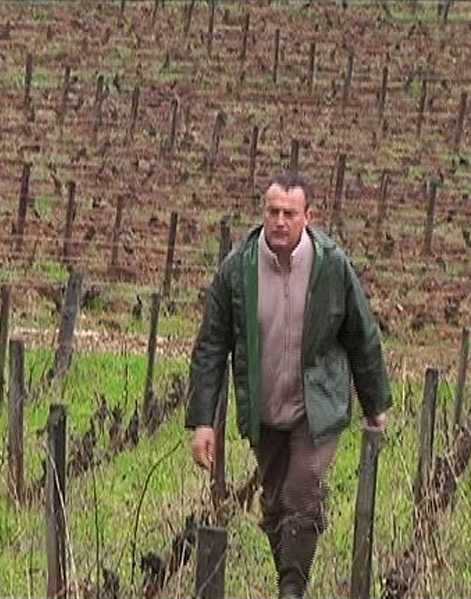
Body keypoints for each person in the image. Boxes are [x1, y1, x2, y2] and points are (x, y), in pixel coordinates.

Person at [185, 172, 392, 598]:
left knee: (303, 488)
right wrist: (203, 421)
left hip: (317, 408)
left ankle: (291, 589)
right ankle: (291, 575)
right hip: (263, 409)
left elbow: (361, 334)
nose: (279, 221)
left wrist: (376, 404)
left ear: (308, 217)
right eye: (273, 212)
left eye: (289, 214)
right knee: (276, 505)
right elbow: (210, 345)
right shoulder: (237, 270)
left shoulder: (331, 266)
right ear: (263, 214)